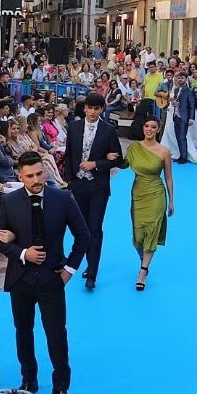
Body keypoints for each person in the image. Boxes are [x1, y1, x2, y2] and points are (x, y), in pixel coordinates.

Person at [0, 153, 91, 394]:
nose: (36, 180)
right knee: (22, 331)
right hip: (20, 279)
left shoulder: (62, 198)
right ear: (20, 177)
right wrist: (22, 253)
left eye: (39, 174)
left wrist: (70, 269)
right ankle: (29, 379)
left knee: (57, 334)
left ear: (45, 172)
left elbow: (83, 235)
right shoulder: (9, 201)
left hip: (52, 279)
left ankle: (61, 387)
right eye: (30, 176)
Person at [63, 93, 122, 291]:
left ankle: (92, 273)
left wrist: (96, 164)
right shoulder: (74, 127)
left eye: (97, 108)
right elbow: (69, 154)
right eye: (90, 108)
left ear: (101, 110)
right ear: (85, 108)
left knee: (95, 229)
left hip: (98, 186)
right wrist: (70, 179)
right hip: (78, 185)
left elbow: (118, 159)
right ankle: (86, 263)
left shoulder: (109, 130)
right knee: (81, 229)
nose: (93, 112)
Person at [126, 116, 173, 292]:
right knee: (138, 235)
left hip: (157, 194)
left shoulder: (164, 151)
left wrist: (171, 201)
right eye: (146, 126)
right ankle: (144, 258)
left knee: (152, 229)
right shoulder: (134, 148)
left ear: (158, 129)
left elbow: (168, 177)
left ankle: (143, 271)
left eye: (153, 127)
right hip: (138, 193)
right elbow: (123, 164)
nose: (149, 129)